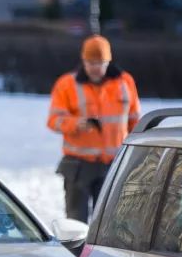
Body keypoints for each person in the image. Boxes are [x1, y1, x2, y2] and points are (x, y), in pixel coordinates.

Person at [47, 35, 140, 222]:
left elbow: (134, 120)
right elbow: (53, 120)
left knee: (107, 222)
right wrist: (75, 123)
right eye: (91, 63)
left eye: (100, 63)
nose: (95, 68)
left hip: (113, 164)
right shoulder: (67, 84)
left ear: (109, 61)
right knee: (76, 221)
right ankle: (77, 252)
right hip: (79, 166)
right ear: (83, 61)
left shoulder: (125, 82)